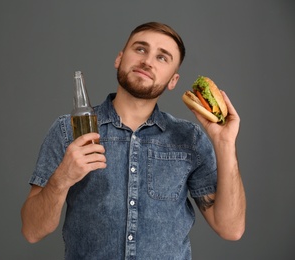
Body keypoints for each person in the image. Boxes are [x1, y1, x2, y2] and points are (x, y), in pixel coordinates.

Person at [21, 22, 246, 259]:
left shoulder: (189, 139)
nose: (147, 61)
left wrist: (225, 144)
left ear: (173, 80)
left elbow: (231, 229)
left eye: (162, 57)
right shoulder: (69, 130)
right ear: (119, 58)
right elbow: (32, 231)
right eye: (140, 49)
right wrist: (62, 179)